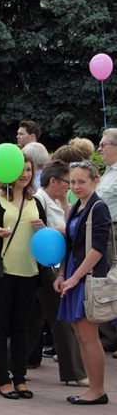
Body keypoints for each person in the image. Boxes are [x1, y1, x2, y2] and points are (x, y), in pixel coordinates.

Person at [0, 155, 46, 400]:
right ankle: (3, 379)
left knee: (21, 328)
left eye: (29, 170)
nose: (25, 174)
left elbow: (44, 239)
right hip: (1, 273)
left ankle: (20, 378)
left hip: (30, 272)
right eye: (21, 170)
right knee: (1, 326)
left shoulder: (35, 201)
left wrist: (43, 230)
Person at [54, 161, 111, 405]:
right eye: (73, 182)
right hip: (75, 276)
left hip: (88, 278)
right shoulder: (78, 206)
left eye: (81, 182)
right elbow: (71, 244)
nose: (76, 186)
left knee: (89, 335)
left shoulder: (98, 207)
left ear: (95, 182)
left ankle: (97, 390)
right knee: (80, 334)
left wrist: (75, 277)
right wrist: (61, 275)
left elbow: (98, 248)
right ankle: (93, 387)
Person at [29, 160, 88, 386]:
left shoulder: (55, 200)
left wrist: (65, 202)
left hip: (53, 265)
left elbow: (71, 223)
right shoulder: (38, 201)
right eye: (68, 182)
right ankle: (75, 372)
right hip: (45, 267)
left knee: (35, 317)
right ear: (53, 181)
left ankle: (20, 359)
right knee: (60, 318)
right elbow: (60, 230)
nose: (70, 187)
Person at [94, 129, 117, 354]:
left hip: (114, 232)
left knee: (112, 281)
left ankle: (111, 337)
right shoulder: (108, 172)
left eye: (103, 144)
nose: (99, 148)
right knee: (106, 280)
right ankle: (108, 335)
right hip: (103, 231)